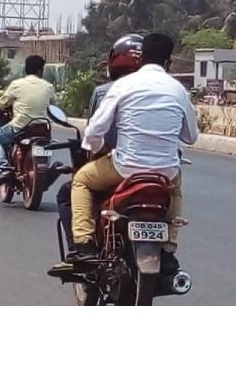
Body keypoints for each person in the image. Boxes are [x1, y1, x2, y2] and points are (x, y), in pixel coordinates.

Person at [63, 32, 198, 274]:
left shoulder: (124, 85)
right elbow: (191, 137)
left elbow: (94, 130)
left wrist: (97, 149)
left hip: (124, 167)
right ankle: (168, 250)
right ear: (169, 63)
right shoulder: (179, 90)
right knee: (176, 189)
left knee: (81, 181)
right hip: (165, 173)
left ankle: (83, 245)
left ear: (141, 58)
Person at [53, 34, 144, 257]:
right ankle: (169, 249)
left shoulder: (105, 92)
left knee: (72, 189)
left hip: (117, 164)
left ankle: (81, 247)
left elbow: (94, 135)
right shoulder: (162, 91)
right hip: (158, 169)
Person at [0, 54, 55, 185]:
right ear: (41, 71)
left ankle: (4, 169)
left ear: (25, 70)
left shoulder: (17, 84)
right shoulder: (48, 87)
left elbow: (1, 104)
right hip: (42, 128)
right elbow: (53, 107)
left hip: (20, 127)